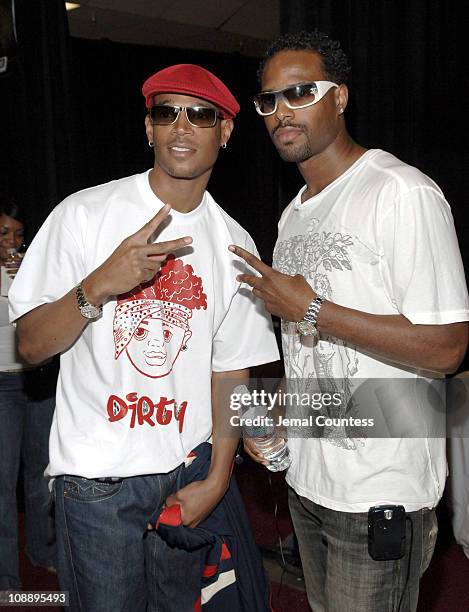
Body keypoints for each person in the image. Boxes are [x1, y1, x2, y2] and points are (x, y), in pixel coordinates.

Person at [9, 64, 279, 611]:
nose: (182, 126)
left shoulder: (234, 241)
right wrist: (100, 285)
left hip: (188, 472)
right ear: (148, 128)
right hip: (98, 481)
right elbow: (31, 344)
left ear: (225, 132)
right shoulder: (84, 214)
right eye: (166, 112)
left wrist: (219, 477)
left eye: (201, 114)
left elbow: (231, 370)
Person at [230, 30, 469, 612]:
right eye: (269, 100)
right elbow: (310, 351)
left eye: (301, 92)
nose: (282, 111)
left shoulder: (401, 193)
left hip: (378, 495)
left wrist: (313, 308)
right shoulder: (293, 218)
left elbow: (446, 349)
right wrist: (282, 417)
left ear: (340, 98)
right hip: (309, 486)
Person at [0, 199, 56, 590]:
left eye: (18, 234)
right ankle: (6, 576)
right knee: (3, 485)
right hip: (2, 387)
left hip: (36, 384)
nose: (12, 242)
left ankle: (42, 552)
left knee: (40, 477)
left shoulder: (34, 269)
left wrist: (31, 281)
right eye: (4, 234)